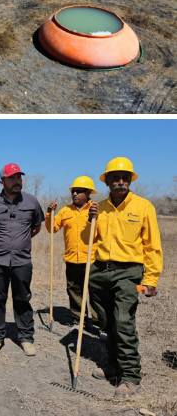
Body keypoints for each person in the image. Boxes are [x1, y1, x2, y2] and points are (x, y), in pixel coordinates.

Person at [88, 157, 162, 397]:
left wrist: (151, 279)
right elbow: (89, 238)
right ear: (107, 181)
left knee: (123, 321)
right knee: (106, 322)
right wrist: (90, 220)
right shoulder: (100, 207)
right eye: (115, 178)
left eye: (124, 178)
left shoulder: (143, 207)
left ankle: (130, 376)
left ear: (130, 180)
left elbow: (152, 246)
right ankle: (111, 366)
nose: (120, 182)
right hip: (100, 271)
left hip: (128, 272)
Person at [0, 162, 44, 356]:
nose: (17, 181)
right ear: (2, 181)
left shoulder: (31, 202)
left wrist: (21, 241)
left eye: (19, 177)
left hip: (22, 261)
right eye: (12, 178)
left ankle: (26, 337)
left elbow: (37, 226)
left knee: (23, 299)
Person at [45, 175, 98, 324]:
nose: (74, 194)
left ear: (88, 193)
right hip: (72, 258)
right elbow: (52, 228)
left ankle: (97, 321)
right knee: (74, 290)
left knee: (94, 291)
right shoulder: (65, 211)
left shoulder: (95, 209)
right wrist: (50, 213)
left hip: (92, 259)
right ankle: (78, 318)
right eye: (73, 191)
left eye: (79, 191)